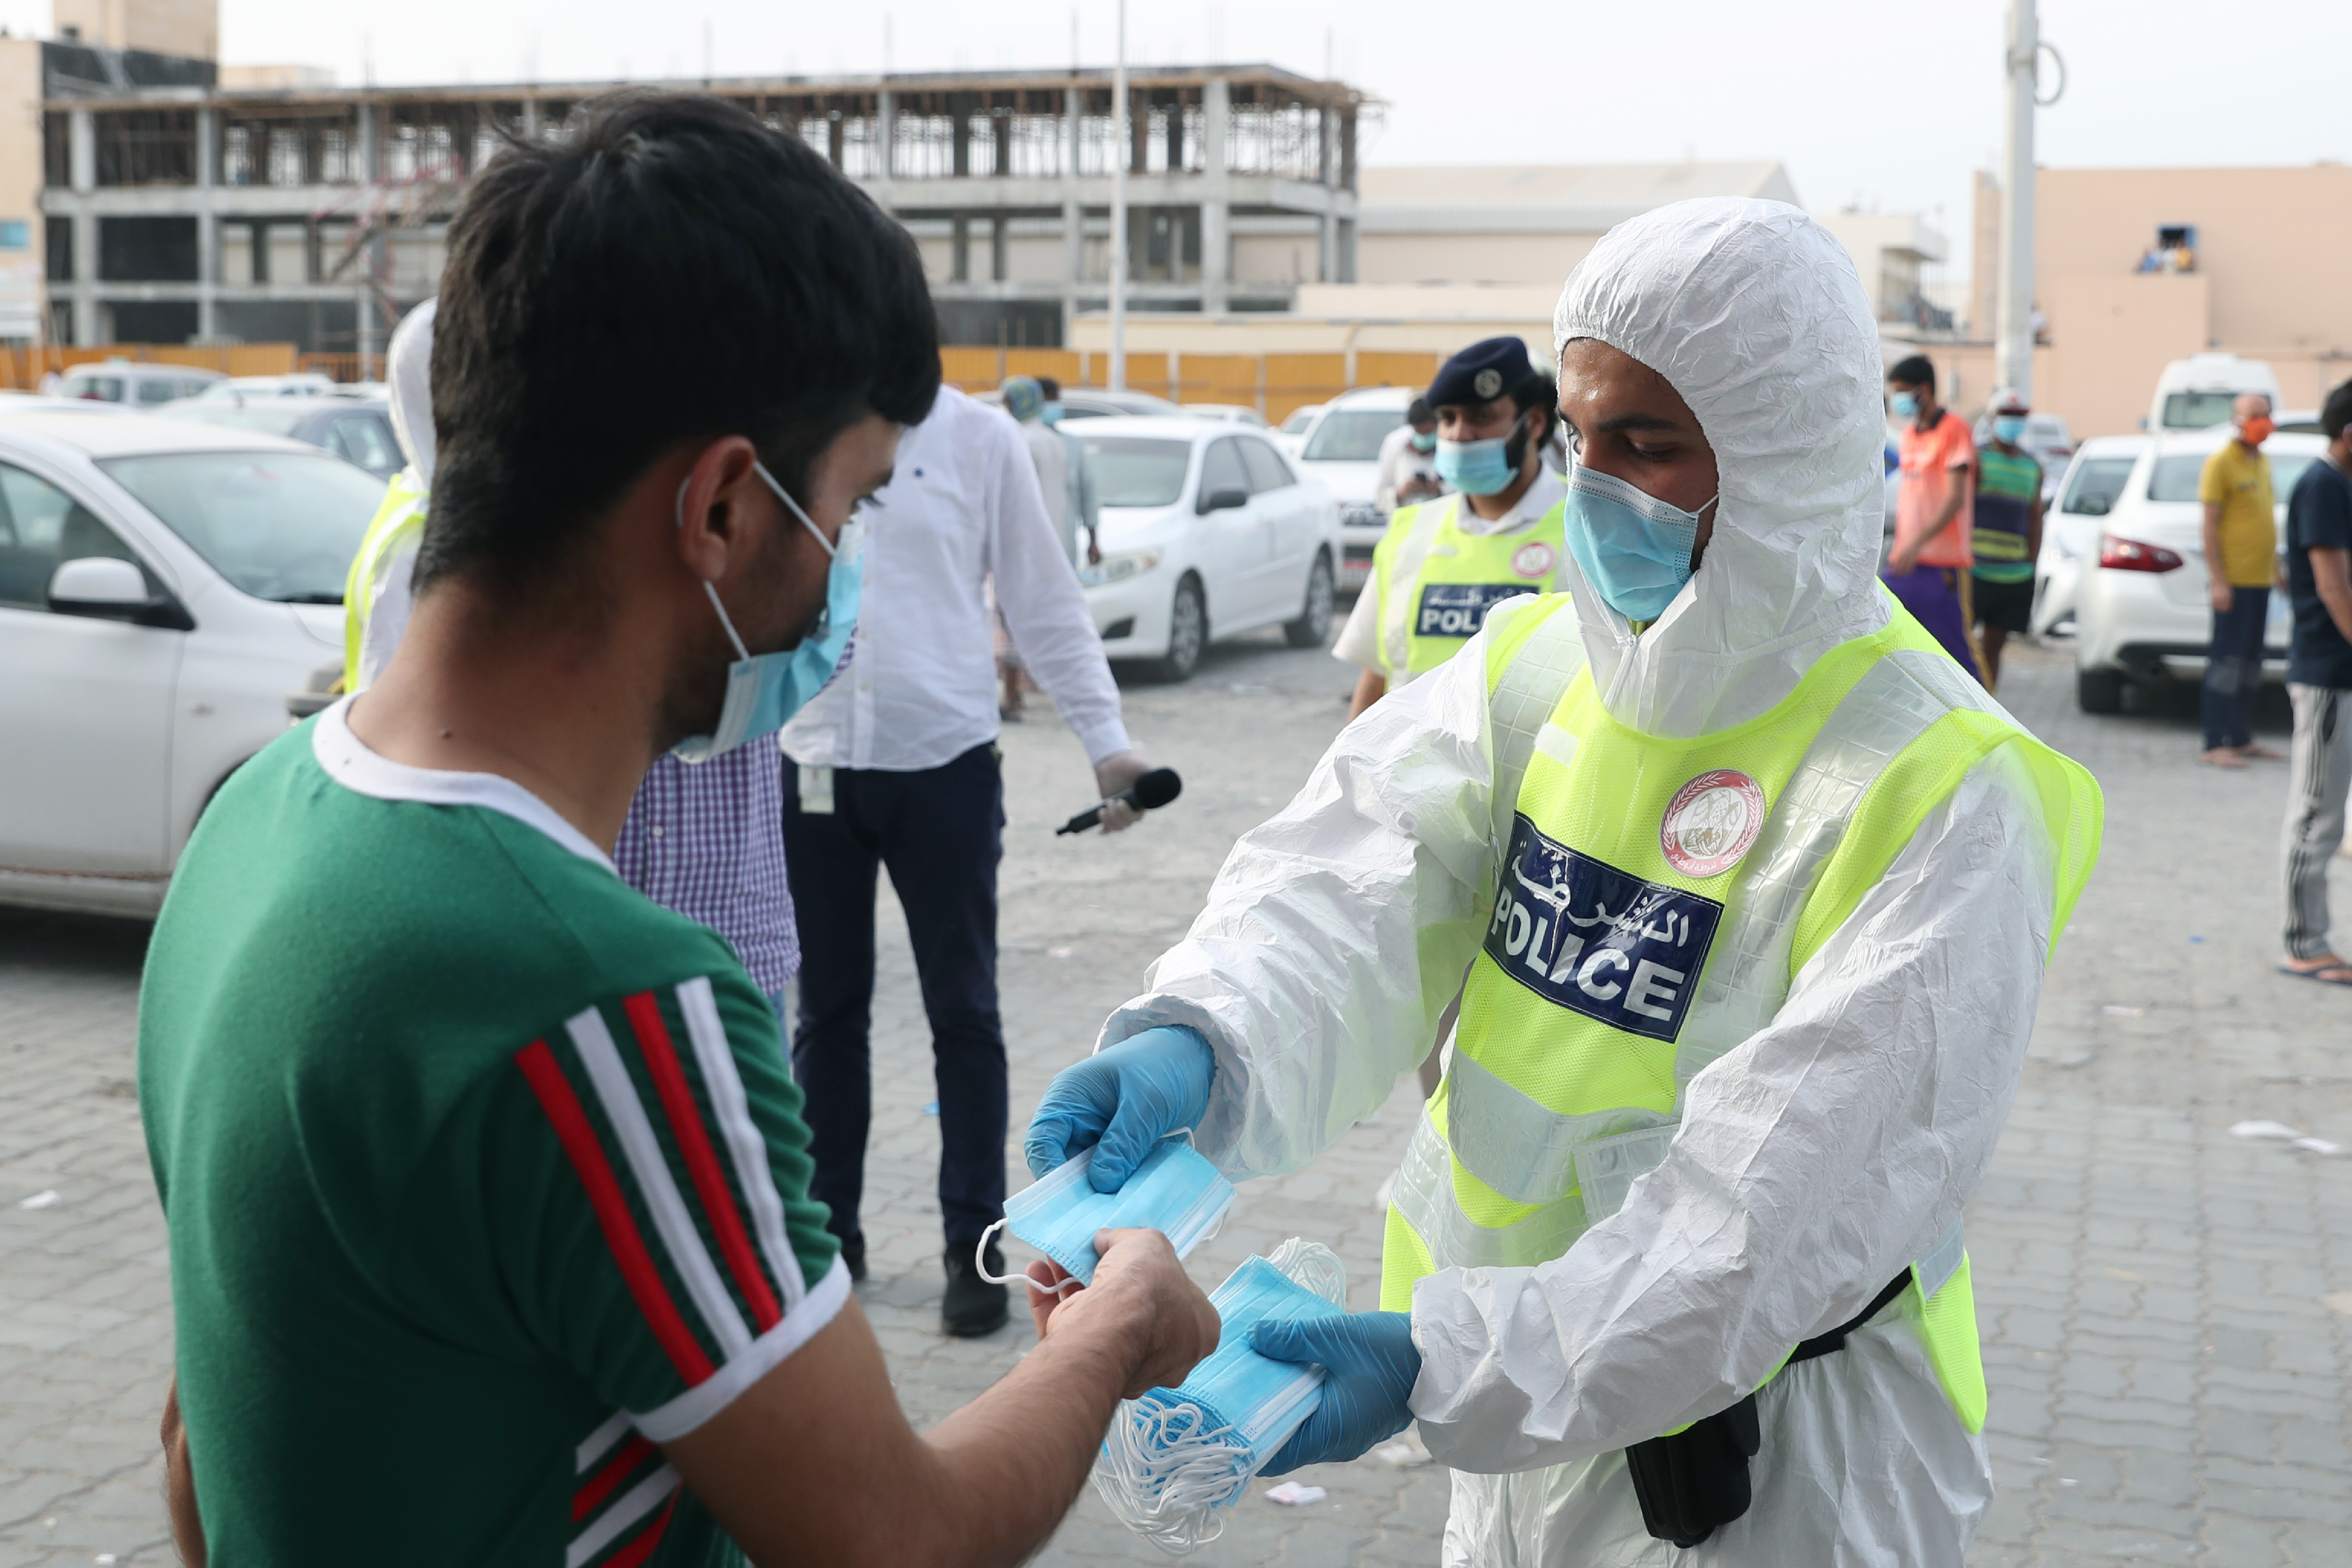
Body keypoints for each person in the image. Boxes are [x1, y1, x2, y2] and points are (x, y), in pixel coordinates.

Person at [142, 94, 1215, 1568]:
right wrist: (1112, 1335)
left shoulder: (253, 823)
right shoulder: (604, 999)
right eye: (849, 507)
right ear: (720, 506)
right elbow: (892, 1536)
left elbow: (201, 1450)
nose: (845, 572)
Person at [1023, 198, 2102, 1567]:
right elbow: (1345, 891)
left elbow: (1754, 1234)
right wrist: (1202, 1040)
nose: (1595, 484)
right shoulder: (1546, 671)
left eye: (1648, 445)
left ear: (1788, 459)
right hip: (1524, 1427)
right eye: (1582, 435)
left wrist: (1434, 1363)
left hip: (1780, 1472)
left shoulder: (1940, 787)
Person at [779, 381, 1155, 1337]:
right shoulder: (791, 410)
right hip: (808, 759)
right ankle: (829, 1238)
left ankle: (970, 1246)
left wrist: (1106, 744)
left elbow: (1040, 597)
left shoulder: (979, 438)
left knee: (965, 1013)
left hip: (941, 766)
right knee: (826, 1014)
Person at [344, 299, 804, 1008]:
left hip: (727, 932)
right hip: (567, 950)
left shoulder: (720, 496)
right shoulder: (441, 549)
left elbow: (818, 655)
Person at [1336, 339, 1567, 723]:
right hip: (1411, 776)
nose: (1460, 434)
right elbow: (1377, 676)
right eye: (1448, 418)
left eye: (1481, 417)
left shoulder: (1588, 529)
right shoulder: (1410, 533)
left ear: (1535, 422)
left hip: (1533, 779)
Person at [2278, 380, 2352, 985]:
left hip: (2340, 673)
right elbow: (2334, 588)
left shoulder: (2340, 486)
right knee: (2316, 814)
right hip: (2330, 675)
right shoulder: (2323, 488)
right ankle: (2305, 942)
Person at [1883, 353, 1986, 683]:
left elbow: (1955, 497)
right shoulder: (1911, 435)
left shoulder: (1954, 430)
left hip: (1945, 564)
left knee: (1958, 650)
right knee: (1895, 640)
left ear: (1923, 390)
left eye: (1903, 391)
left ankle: (1990, 721)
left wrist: (1917, 543)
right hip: (1907, 561)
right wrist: (1906, 548)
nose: (1899, 400)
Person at [2199, 392, 2283, 767]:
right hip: (2233, 583)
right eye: (2254, 416)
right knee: (2226, 663)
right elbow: (2210, 526)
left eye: (2266, 415)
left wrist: (2276, 571)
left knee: (2251, 663)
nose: (2261, 422)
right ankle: (2215, 742)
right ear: (2237, 420)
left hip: (2261, 582)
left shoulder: (2262, 461)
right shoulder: (2221, 464)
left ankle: (2242, 737)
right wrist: (2219, 580)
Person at [1970, 388, 2043, 689]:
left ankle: (1988, 703)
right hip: (1975, 570)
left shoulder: (2032, 467)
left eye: (2019, 417)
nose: (2013, 423)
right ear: (1993, 419)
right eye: (2007, 416)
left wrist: (2031, 564)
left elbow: (2035, 518)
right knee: (1962, 644)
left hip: (2013, 575)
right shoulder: (1977, 459)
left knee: (1994, 646)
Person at [1037, 375, 1101, 566]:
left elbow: (1087, 491)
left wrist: (1093, 541)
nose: (1052, 405)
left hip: (1065, 539)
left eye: (1055, 400)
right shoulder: (1020, 440)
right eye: (1046, 400)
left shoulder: (1072, 444)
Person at [1374, 395, 1445, 514]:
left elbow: (1464, 497)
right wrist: (1402, 492)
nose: (1424, 437)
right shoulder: (1396, 446)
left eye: (1428, 432)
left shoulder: (1447, 448)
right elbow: (1380, 498)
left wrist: (1438, 491)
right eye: (1419, 432)